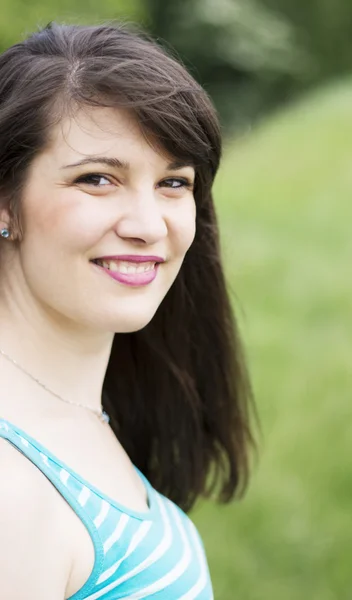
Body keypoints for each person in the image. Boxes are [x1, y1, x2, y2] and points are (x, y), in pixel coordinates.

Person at [0, 21, 256, 600]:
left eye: (173, 182)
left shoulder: (76, 409)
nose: (147, 226)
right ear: (6, 202)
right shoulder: (10, 490)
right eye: (97, 179)